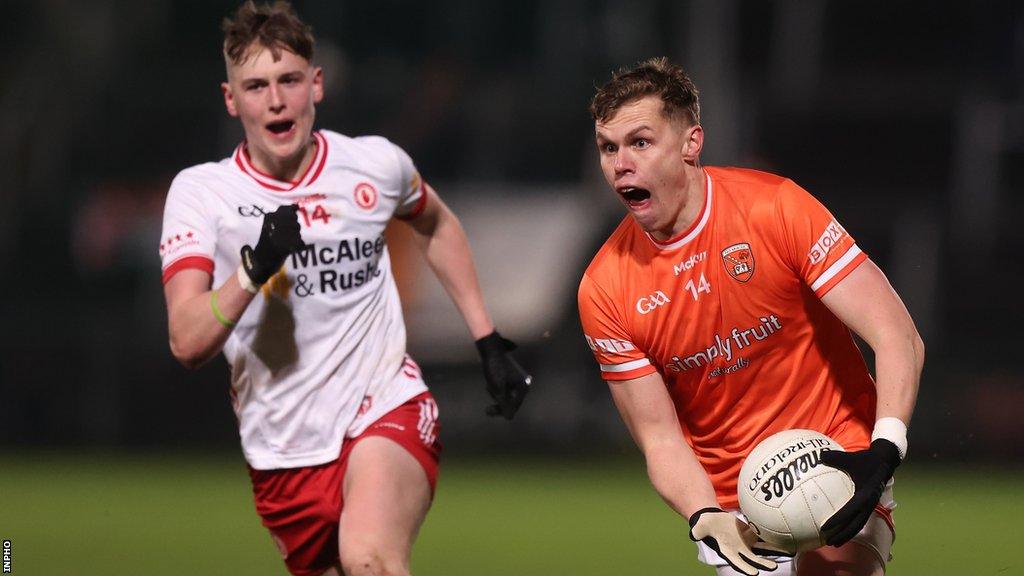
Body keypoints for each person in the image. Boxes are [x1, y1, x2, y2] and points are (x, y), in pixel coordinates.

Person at [158, 2, 530, 575]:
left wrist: (485, 336)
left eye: (289, 80)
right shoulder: (201, 194)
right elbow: (187, 340)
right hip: (282, 453)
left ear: (317, 85)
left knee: (370, 559)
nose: (275, 99)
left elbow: (436, 222)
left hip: (384, 405)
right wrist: (255, 270)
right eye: (255, 86)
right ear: (232, 100)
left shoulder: (374, 164)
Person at [577, 57, 923, 576]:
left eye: (640, 143)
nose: (620, 163)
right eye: (609, 147)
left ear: (691, 143)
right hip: (734, 502)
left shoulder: (775, 207)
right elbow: (660, 437)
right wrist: (702, 515)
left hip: (840, 453)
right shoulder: (605, 289)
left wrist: (883, 449)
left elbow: (896, 333)